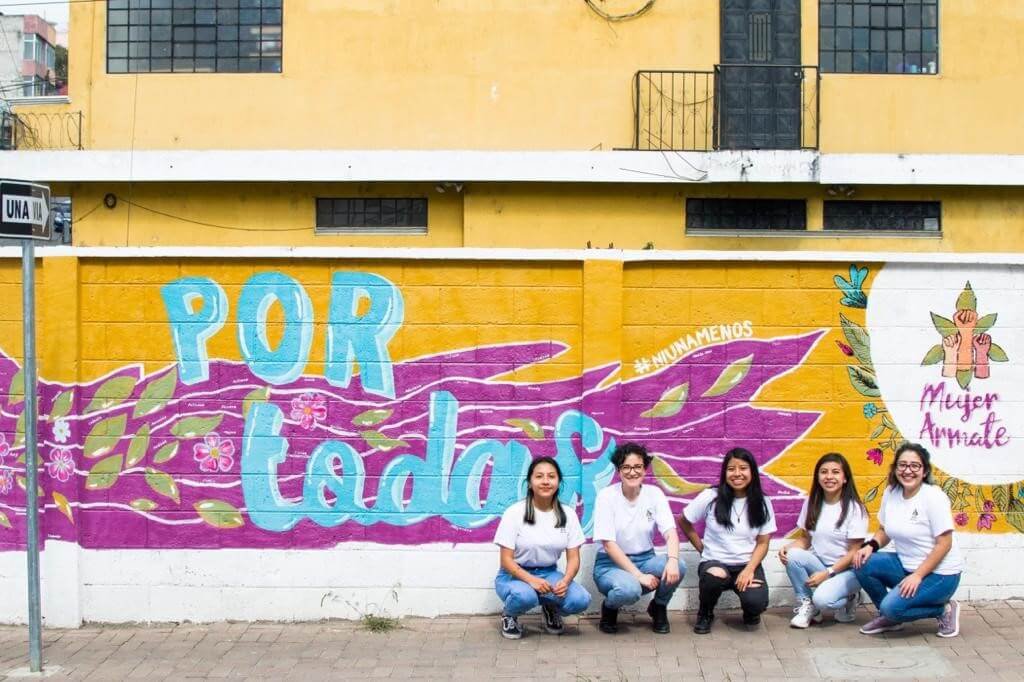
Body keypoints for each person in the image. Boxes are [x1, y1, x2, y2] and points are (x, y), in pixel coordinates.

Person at [853, 442, 964, 638]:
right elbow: (884, 530)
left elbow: (944, 544)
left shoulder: (933, 497)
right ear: (895, 469)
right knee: (862, 562)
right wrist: (870, 546)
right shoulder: (891, 493)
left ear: (924, 471)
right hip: (907, 566)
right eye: (902, 465)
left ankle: (943, 609)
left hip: (940, 575)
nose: (908, 470)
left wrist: (918, 576)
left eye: (915, 466)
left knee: (892, 607)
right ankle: (890, 617)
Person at [493, 456, 592, 639]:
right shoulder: (514, 513)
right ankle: (509, 615)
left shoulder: (568, 515)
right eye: (539, 476)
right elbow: (506, 560)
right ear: (530, 483)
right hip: (514, 575)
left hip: (549, 573)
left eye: (551, 476)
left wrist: (566, 581)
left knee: (581, 600)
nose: (546, 481)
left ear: (558, 482)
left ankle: (550, 606)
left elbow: (574, 558)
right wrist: (532, 580)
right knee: (526, 597)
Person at [592, 442, 685, 634]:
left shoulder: (654, 494)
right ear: (618, 470)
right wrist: (639, 576)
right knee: (630, 590)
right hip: (610, 564)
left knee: (679, 565)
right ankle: (609, 608)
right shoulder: (607, 496)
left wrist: (673, 560)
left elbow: (670, 532)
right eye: (626, 467)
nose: (632, 472)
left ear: (644, 469)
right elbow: (608, 545)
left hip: (646, 559)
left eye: (637, 467)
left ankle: (658, 606)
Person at [680, 447, 775, 634]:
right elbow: (684, 521)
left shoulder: (763, 502)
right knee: (712, 578)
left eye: (743, 468)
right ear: (725, 472)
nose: (737, 474)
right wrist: (702, 549)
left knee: (756, 602)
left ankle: (751, 612)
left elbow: (763, 542)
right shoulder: (711, 497)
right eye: (731, 469)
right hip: (716, 562)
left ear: (752, 472)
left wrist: (749, 570)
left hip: (747, 564)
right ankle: (705, 613)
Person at [779, 453, 868, 628]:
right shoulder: (812, 502)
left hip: (848, 571)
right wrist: (787, 548)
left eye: (835, 472)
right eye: (824, 472)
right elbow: (806, 539)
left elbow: (854, 552)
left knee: (823, 600)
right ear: (817, 477)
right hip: (821, 565)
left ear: (845, 478)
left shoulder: (855, 508)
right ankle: (808, 606)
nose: (829, 476)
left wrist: (828, 573)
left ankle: (851, 596)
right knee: (792, 555)